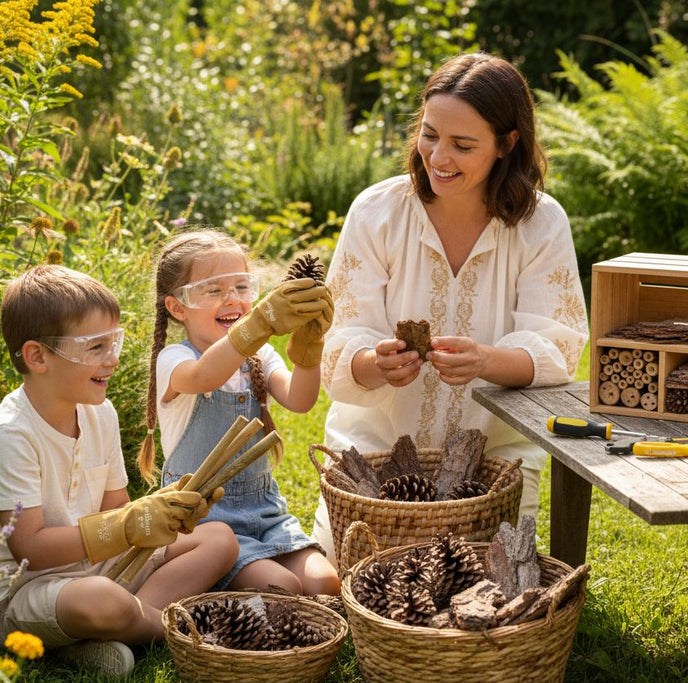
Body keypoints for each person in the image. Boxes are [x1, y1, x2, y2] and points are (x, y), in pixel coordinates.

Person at [313, 52, 589, 559]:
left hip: (494, 462)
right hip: (371, 460)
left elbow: (558, 347)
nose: (438, 157)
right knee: (348, 579)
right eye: (430, 134)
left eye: (463, 145)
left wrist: (485, 361)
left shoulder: (541, 223)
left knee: (484, 590)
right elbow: (337, 336)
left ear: (507, 144)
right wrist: (374, 364)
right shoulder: (377, 212)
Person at [0, 265, 237, 678]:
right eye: (95, 347)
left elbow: (118, 509)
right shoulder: (9, 435)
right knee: (101, 600)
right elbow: (30, 549)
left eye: (115, 342)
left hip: (97, 569)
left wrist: (161, 512)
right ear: (38, 356)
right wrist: (128, 526)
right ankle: (181, 631)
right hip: (20, 592)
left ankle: (111, 632)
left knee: (219, 539)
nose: (113, 359)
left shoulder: (99, 412)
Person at [139, 229, 341, 596]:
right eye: (214, 290)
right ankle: (211, 586)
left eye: (242, 288)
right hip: (203, 521)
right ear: (177, 307)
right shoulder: (175, 360)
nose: (232, 299)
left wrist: (309, 350)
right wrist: (259, 323)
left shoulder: (259, 357)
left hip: (265, 512)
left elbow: (300, 400)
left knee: (325, 582)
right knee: (282, 587)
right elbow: (205, 375)